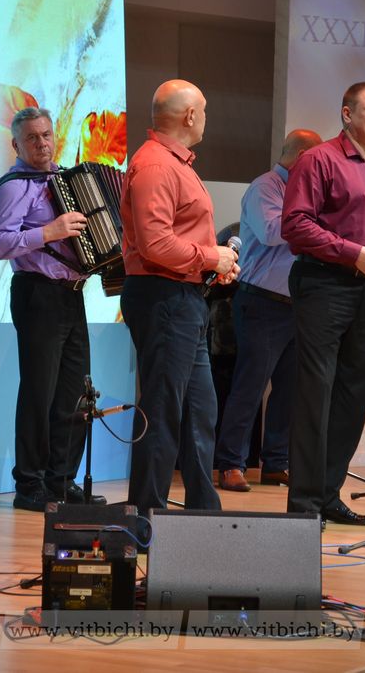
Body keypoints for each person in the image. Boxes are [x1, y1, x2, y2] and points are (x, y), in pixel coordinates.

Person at [280, 82, 365, 526]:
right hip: (323, 284)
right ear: (346, 114)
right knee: (316, 394)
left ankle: (328, 494)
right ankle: (304, 506)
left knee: (353, 395)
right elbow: (295, 225)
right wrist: (354, 254)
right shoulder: (319, 160)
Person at [119, 79, 240, 516]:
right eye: (203, 111)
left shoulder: (175, 163)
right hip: (163, 297)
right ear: (190, 116)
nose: (205, 119)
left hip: (183, 297)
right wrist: (211, 257)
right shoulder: (156, 165)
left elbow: (175, 239)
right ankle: (146, 515)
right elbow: (155, 244)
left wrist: (213, 265)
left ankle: (203, 513)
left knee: (200, 409)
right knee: (164, 409)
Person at [0, 106, 106, 512]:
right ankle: (30, 484)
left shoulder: (67, 179)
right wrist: (47, 232)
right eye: (32, 137)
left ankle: (61, 480)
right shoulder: (14, 186)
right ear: (16, 144)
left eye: (46, 135)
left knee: (73, 393)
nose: (41, 143)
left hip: (72, 294)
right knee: (39, 393)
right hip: (37, 293)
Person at [215, 129, 323, 493]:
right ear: (303, 156)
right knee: (250, 386)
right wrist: (316, 222)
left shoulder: (308, 192)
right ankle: (231, 462)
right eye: (317, 160)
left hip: (299, 305)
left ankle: (276, 463)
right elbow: (273, 231)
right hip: (262, 302)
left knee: (291, 390)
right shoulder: (266, 187)